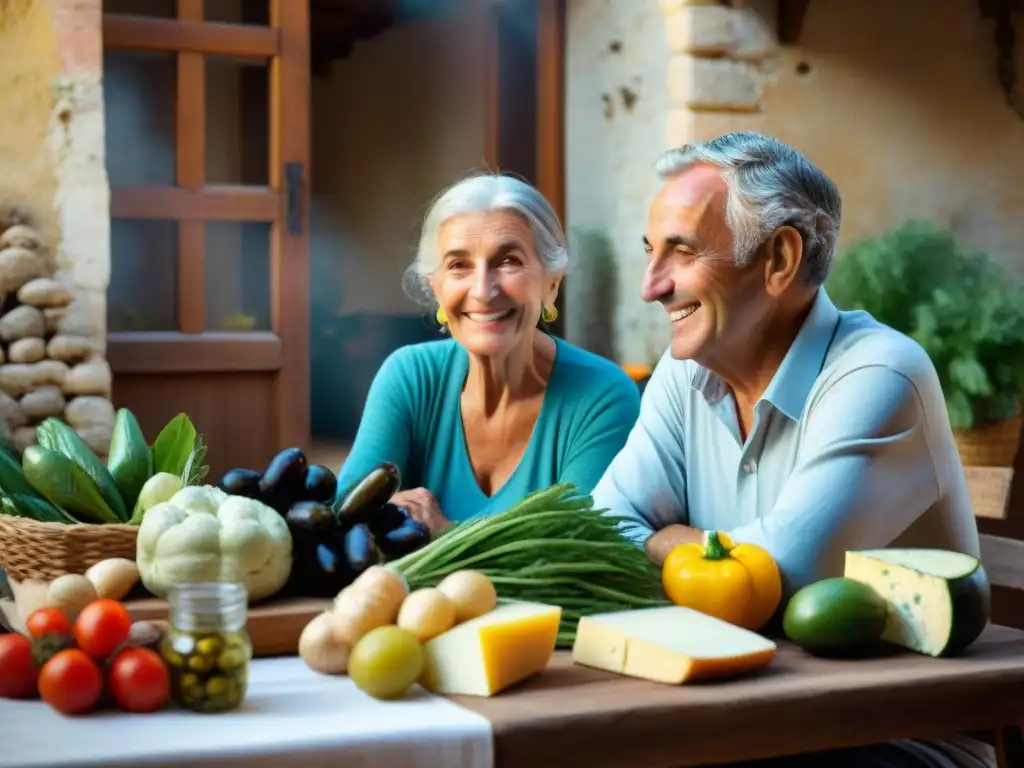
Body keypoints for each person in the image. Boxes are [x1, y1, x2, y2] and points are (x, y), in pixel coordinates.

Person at [592, 132, 991, 768]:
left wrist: (666, 538)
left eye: (682, 252)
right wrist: (709, 553)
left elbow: (778, 583)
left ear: (778, 258)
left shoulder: (880, 375)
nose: (652, 286)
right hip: (740, 717)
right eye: (650, 252)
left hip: (884, 739)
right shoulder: (682, 371)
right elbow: (600, 534)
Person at [337, 172, 641, 533]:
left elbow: (574, 551)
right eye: (458, 265)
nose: (482, 290)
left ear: (551, 284)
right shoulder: (409, 376)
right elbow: (346, 512)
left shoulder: (603, 396)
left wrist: (442, 532)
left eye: (508, 261)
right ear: (436, 288)